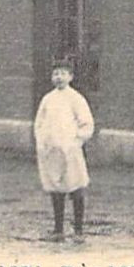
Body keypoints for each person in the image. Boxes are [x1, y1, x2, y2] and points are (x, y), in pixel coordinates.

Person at [32, 58, 94, 241]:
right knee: (56, 189)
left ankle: (79, 230)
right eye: (56, 74)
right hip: (52, 152)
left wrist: (76, 142)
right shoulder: (47, 99)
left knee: (75, 187)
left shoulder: (76, 99)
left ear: (71, 77)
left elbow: (86, 123)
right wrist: (42, 142)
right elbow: (39, 123)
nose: (59, 77)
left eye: (63, 74)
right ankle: (58, 229)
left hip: (70, 151)